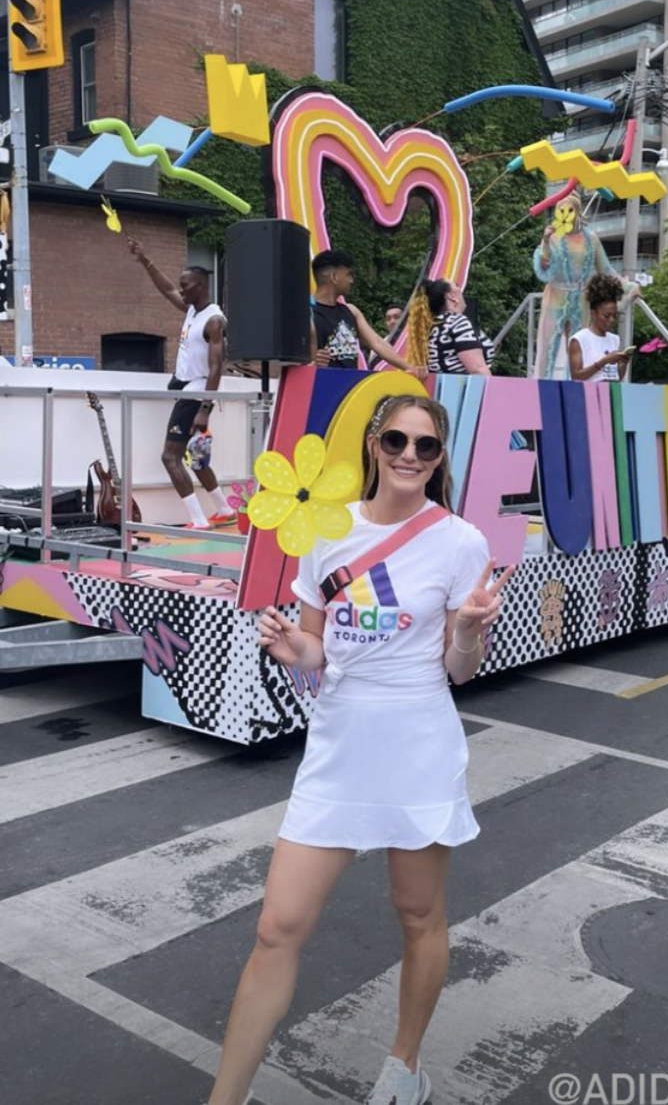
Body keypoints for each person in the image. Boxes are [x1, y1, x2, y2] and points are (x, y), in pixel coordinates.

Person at [205, 393, 514, 1105]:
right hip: (339, 744)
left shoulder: (460, 541)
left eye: (426, 446)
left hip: (418, 740)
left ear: (439, 459)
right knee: (277, 926)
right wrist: (293, 648)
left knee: (417, 914)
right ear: (374, 445)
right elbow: (317, 645)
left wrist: (468, 629)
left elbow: (459, 667)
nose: (410, 455)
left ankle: (404, 1068)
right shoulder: (327, 529)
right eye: (398, 441)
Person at [128, 238, 235, 529]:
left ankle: (198, 521)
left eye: (185, 285)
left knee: (170, 457)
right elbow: (166, 289)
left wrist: (205, 408)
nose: (181, 289)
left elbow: (216, 368)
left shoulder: (214, 321)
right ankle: (224, 509)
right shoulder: (193, 311)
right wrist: (144, 259)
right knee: (196, 456)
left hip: (197, 393)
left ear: (200, 286)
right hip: (189, 391)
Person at [532, 190, 638, 380]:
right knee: (548, 349)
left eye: (569, 210)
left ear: (578, 213)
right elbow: (544, 267)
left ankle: (576, 390)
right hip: (556, 296)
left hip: (581, 298)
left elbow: (605, 268)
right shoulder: (554, 237)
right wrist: (546, 241)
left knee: (578, 347)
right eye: (560, 210)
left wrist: (628, 287)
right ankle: (542, 391)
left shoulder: (591, 238)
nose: (564, 215)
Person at [311, 251, 422, 376]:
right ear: (334, 277)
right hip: (320, 387)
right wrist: (311, 363)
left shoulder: (351, 311)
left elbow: (378, 343)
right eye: (348, 275)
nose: (351, 280)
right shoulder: (307, 313)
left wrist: (411, 368)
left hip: (351, 388)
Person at [407, 279, 492, 376]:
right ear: (451, 297)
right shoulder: (458, 322)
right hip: (462, 388)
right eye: (456, 286)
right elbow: (478, 369)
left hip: (438, 387)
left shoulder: (429, 325)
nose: (461, 289)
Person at [568, 273, 633, 383]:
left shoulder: (614, 339)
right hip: (587, 395)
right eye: (606, 316)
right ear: (593, 313)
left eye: (614, 315)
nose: (611, 320)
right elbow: (576, 376)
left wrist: (624, 363)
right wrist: (603, 362)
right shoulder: (579, 339)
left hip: (610, 394)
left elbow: (617, 377)